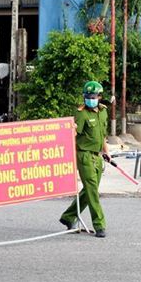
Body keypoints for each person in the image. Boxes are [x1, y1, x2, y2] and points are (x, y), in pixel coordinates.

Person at [59, 81, 111, 238]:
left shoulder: (103, 112)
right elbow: (73, 137)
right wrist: (71, 131)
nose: (90, 99)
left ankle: (68, 217)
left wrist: (106, 152)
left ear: (100, 97)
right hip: (84, 156)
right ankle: (99, 224)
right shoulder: (81, 114)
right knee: (93, 191)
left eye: (93, 97)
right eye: (87, 97)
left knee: (88, 191)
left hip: (97, 156)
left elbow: (102, 135)